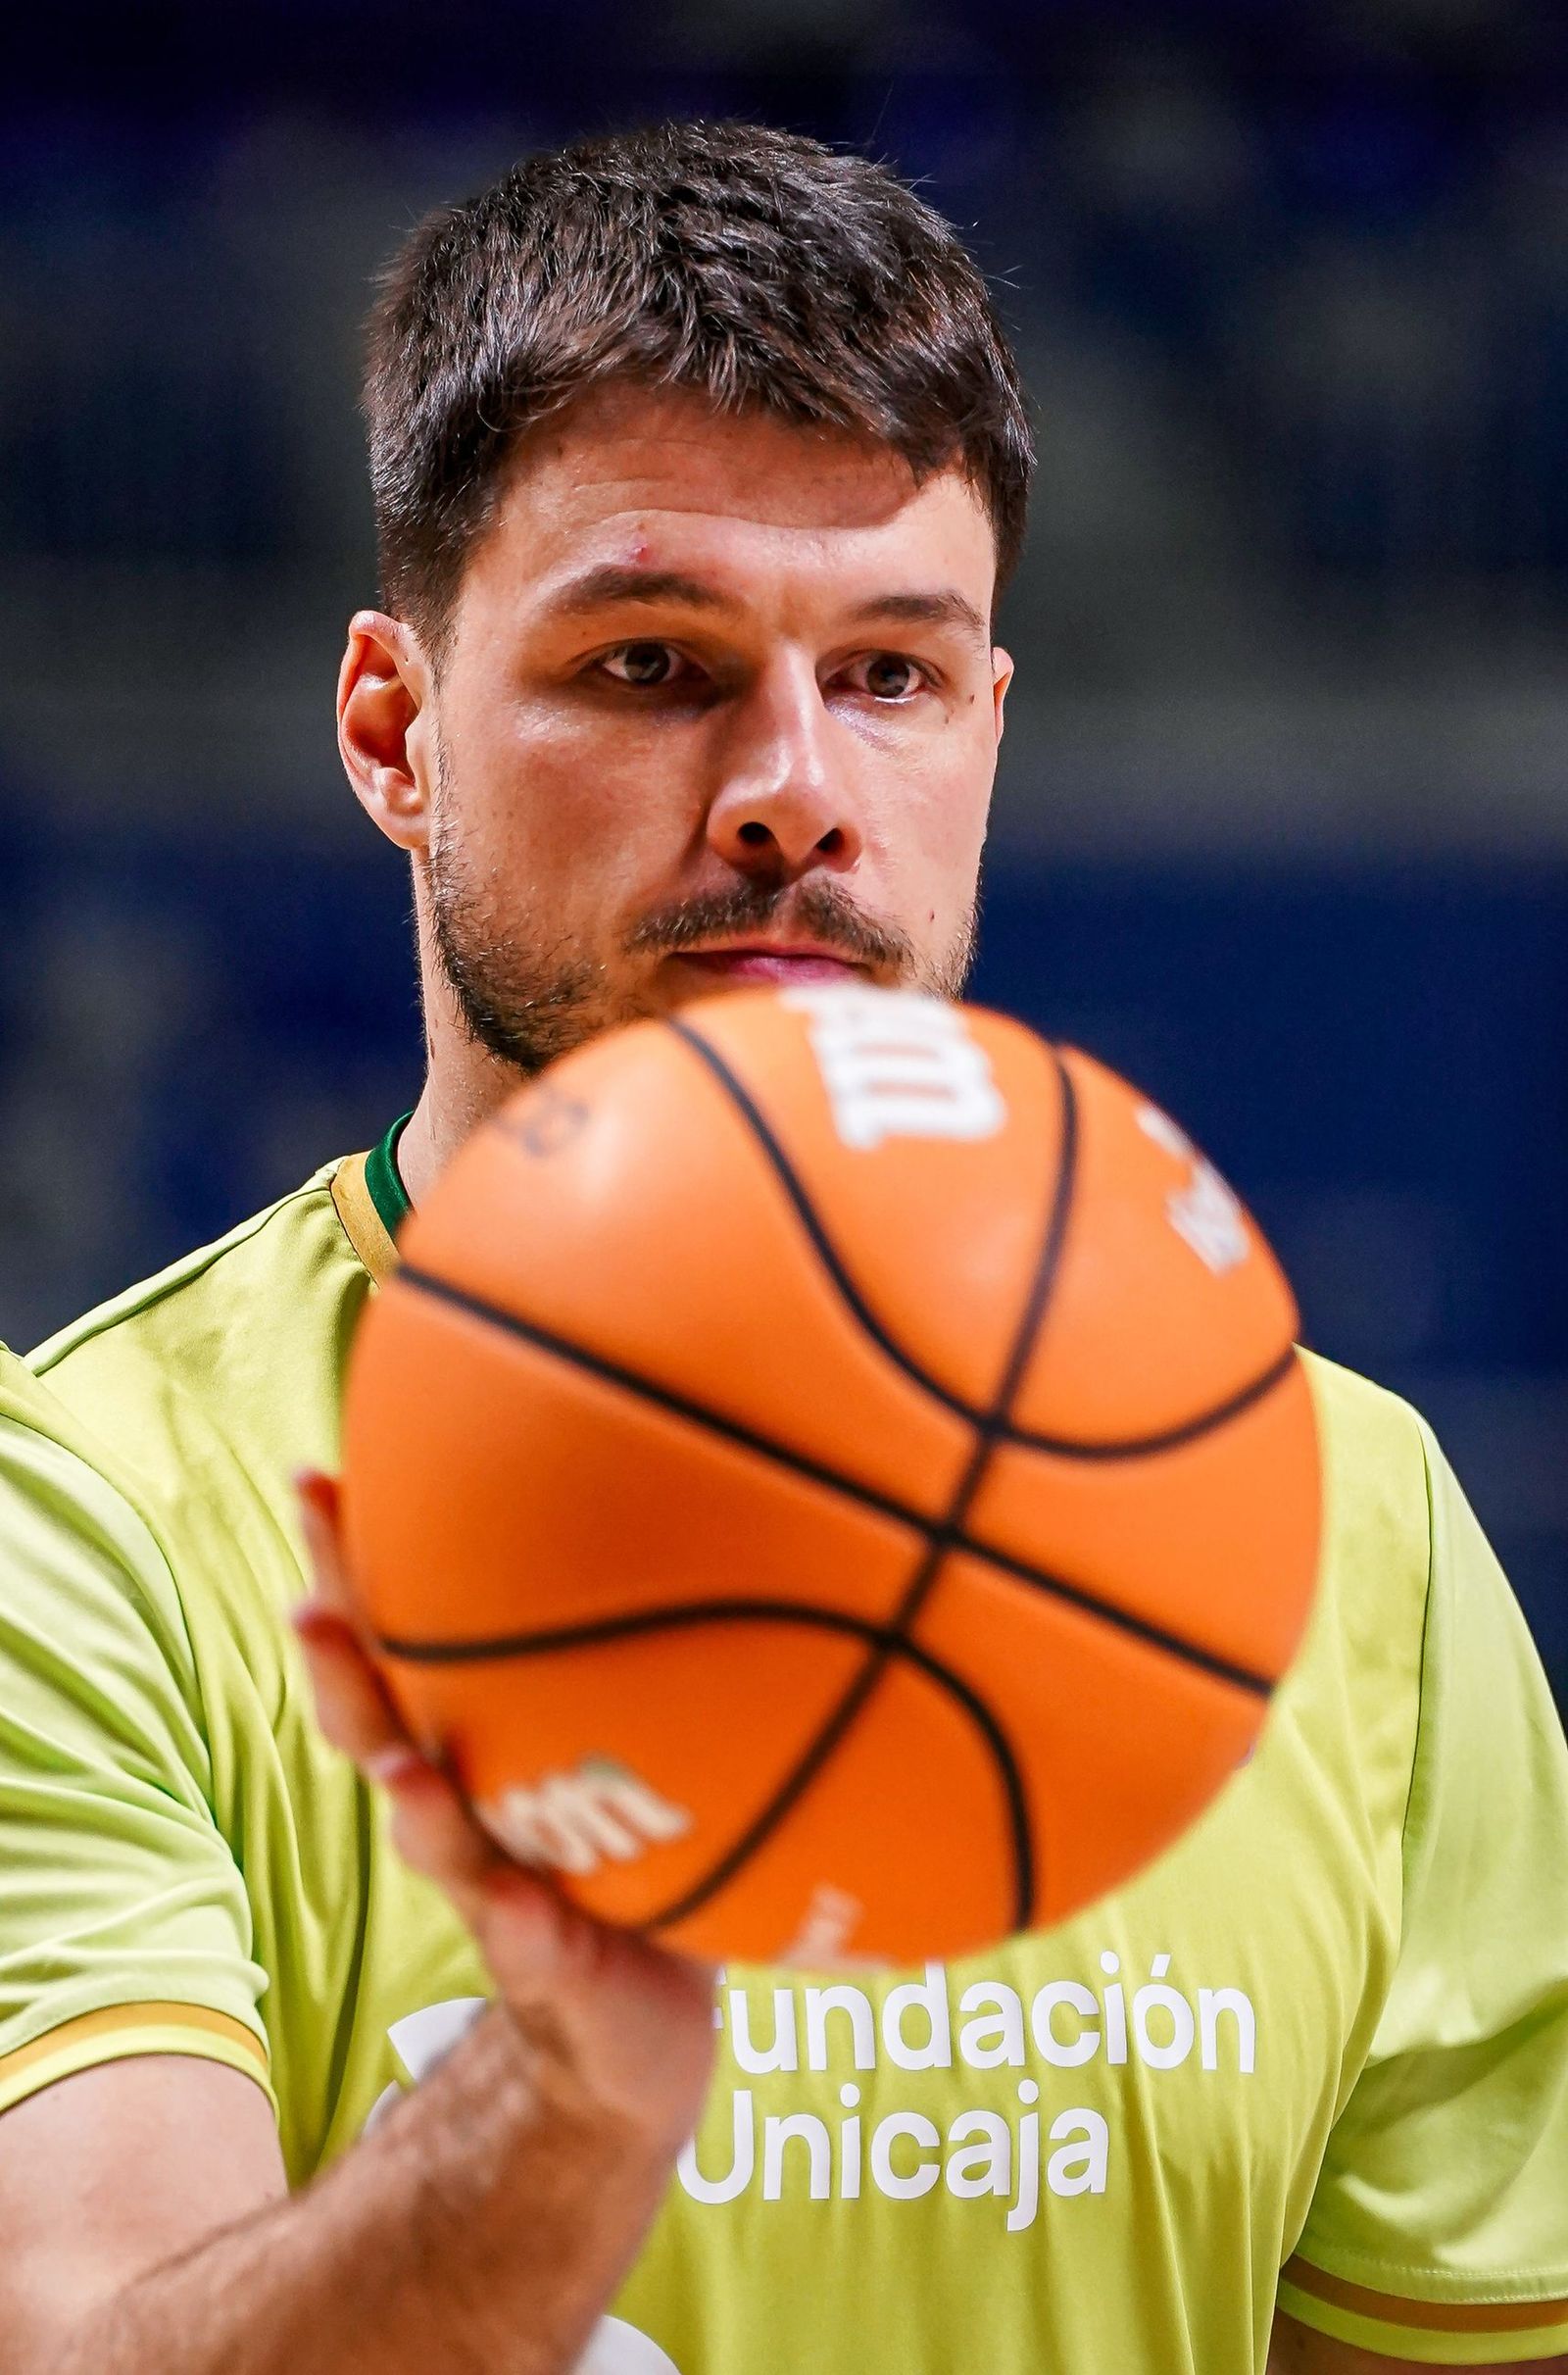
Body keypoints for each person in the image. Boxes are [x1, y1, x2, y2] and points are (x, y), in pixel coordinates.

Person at [0, 120, 1561, 2375]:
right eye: (650, 664)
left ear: (988, 731)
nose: (792, 786)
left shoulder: (1344, 1525)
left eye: (893, 676)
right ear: (393, 730)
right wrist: (569, 2104)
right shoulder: (89, 1520)